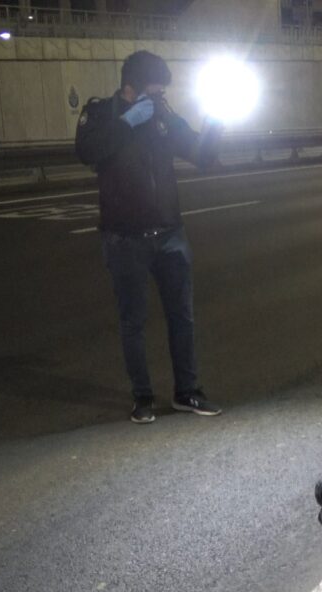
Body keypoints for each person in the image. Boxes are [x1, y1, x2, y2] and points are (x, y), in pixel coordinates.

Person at [75, 50, 223, 424]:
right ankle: (142, 397)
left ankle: (187, 392)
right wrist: (126, 123)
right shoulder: (101, 114)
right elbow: (87, 151)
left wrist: (215, 124)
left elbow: (202, 157)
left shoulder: (163, 118)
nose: (160, 100)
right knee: (133, 321)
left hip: (170, 234)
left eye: (161, 94)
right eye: (155, 94)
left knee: (182, 317)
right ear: (130, 89)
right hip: (125, 239)